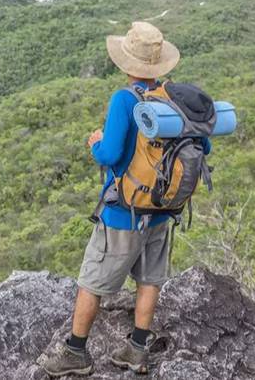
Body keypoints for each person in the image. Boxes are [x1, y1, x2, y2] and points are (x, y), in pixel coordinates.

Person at [37, 22, 210, 376]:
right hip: (162, 210)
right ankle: (137, 350)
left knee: (92, 281)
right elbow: (202, 145)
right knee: (149, 279)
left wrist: (95, 144)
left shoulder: (125, 99)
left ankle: (76, 353)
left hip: (123, 213)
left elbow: (111, 153)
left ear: (129, 64)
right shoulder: (172, 101)